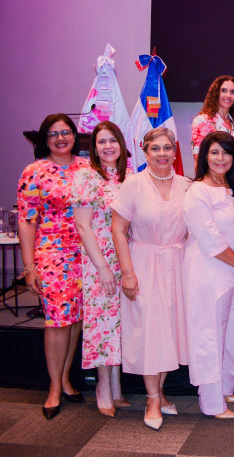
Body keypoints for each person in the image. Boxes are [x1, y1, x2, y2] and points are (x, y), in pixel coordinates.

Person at [111, 128, 190, 430]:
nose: (162, 154)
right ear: (145, 152)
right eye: (155, 148)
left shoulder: (186, 185)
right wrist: (127, 273)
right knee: (149, 332)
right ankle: (152, 399)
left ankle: (161, 392)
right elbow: (119, 230)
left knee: (169, 331)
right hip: (143, 264)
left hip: (177, 264)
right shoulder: (133, 185)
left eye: (167, 148)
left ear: (174, 151)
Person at [17, 114, 89, 420]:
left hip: (86, 255)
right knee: (57, 322)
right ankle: (54, 389)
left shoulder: (87, 168)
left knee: (75, 320)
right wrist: (29, 266)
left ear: (74, 136)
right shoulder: (33, 172)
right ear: (45, 140)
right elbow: (25, 219)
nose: (61, 138)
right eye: (54, 134)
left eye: (66, 132)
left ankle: (66, 380)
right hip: (51, 256)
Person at [183, 132, 234, 419]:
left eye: (226, 152)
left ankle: (225, 387)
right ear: (203, 157)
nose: (220, 158)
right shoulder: (198, 191)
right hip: (211, 271)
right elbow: (209, 238)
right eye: (214, 152)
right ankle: (211, 403)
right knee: (210, 335)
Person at [71, 121, 132, 418]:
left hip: (127, 260)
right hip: (100, 263)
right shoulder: (86, 176)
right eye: (101, 142)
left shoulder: (129, 177)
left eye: (113, 141)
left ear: (121, 144)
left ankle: (118, 387)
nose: (108, 146)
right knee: (103, 326)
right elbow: (83, 226)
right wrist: (103, 268)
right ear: (94, 147)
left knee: (120, 324)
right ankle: (103, 388)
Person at [191, 75, 234, 161]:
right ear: (216, 93)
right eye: (223, 91)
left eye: (232, 92)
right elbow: (198, 160)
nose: (228, 95)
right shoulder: (202, 121)